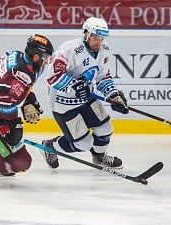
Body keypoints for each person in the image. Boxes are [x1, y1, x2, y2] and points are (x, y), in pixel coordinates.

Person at [41, 17, 129, 169]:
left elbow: (102, 77)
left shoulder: (104, 51)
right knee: (84, 143)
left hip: (86, 98)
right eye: (95, 37)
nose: (99, 42)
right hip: (64, 103)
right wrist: (74, 86)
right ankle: (50, 147)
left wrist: (114, 95)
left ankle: (99, 157)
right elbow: (52, 75)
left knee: (105, 128)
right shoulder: (69, 49)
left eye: (102, 38)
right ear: (86, 33)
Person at [0, 34, 54, 184]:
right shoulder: (22, 72)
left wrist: (28, 100)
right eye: (44, 58)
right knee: (18, 163)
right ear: (35, 56)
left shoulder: (17, 56)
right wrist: (15, 125)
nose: (46, 62)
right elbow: (4, 101)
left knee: (20, 160)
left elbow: (9, 88)